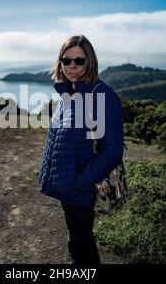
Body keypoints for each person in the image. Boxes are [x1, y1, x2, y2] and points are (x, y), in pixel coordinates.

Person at [38, 35, 124, 264]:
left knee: (78, 247)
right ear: (60, 63)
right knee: (81, 241)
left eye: (79, 61)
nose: (72, 67)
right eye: (67, 61)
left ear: (90, 62)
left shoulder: (101, 95)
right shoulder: (68, 92)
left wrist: (79, 183)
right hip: (67, 185)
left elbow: (113, 150)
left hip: (80, 188)